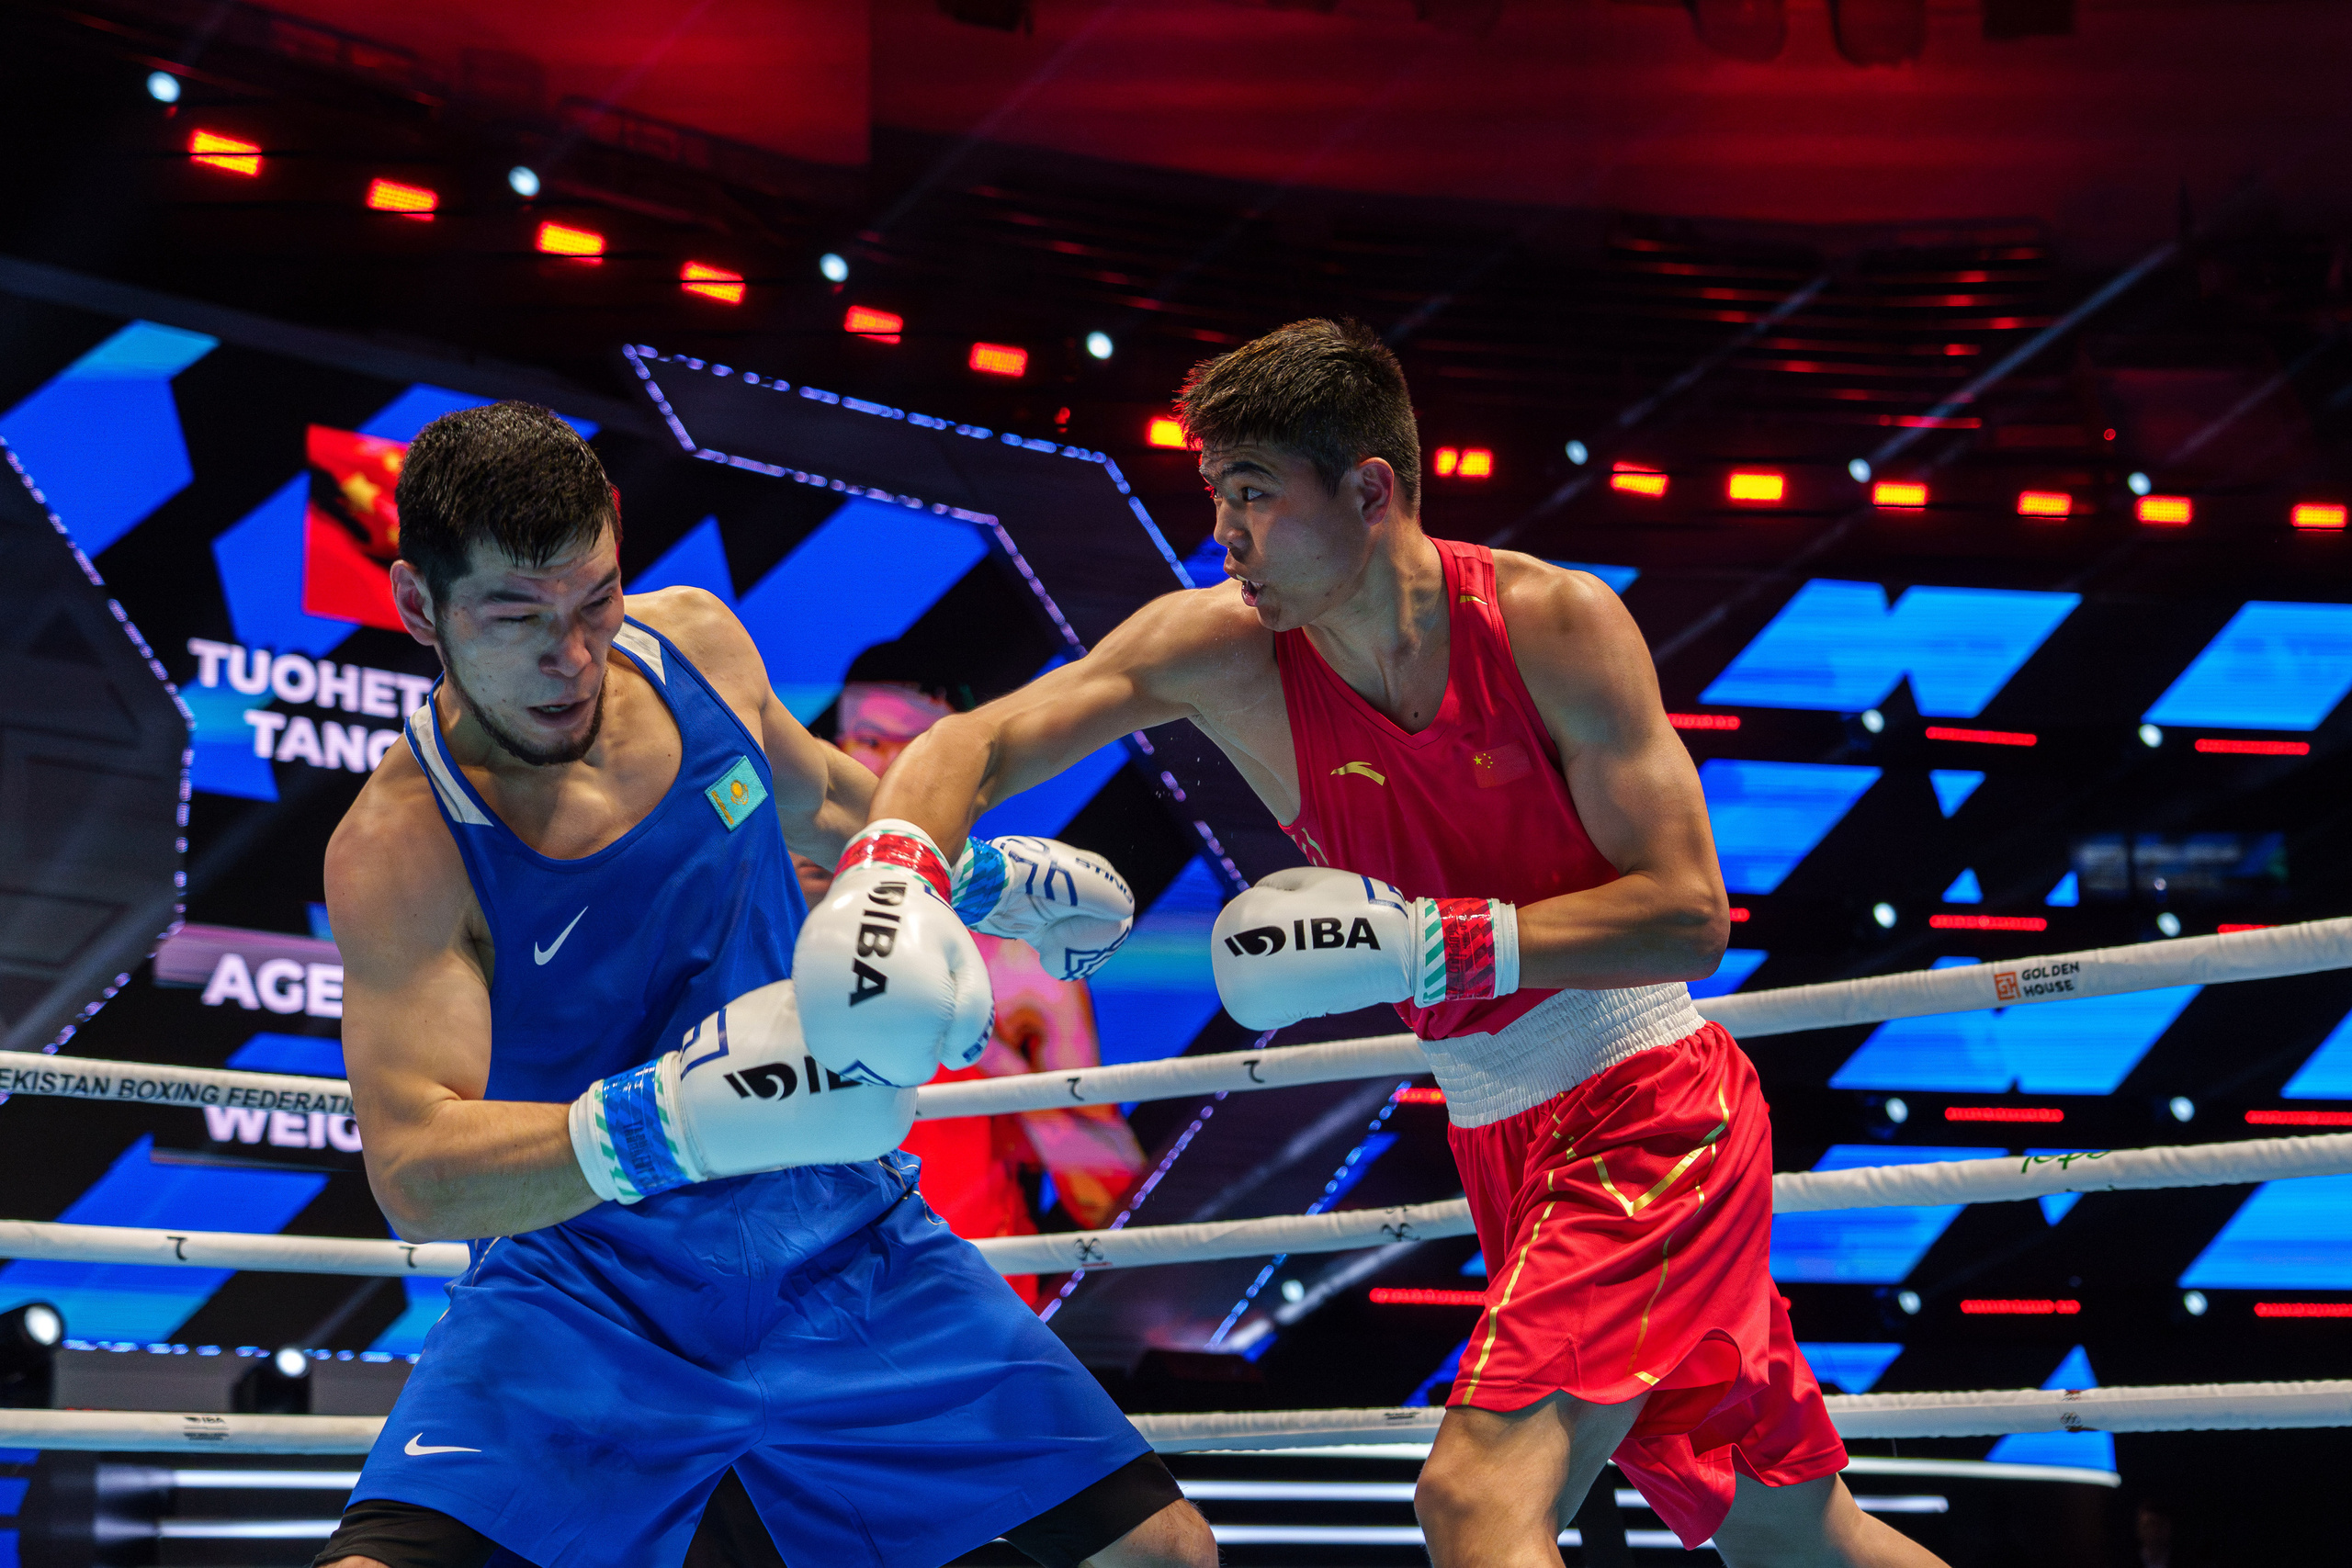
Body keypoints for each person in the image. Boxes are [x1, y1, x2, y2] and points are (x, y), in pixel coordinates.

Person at [802, 321, 1947, 1567]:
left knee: (1476, 1500)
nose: (1226, 534)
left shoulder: (1552, 624)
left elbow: (1688, 912)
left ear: (1370, 486)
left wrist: (1429, 946)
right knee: (1792, 1528)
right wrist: (902, 870)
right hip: (1498, 1125)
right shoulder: (1223, 647)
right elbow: (979, 744)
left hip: (1648, 1112)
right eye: (1216, 497)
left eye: (1253, 494)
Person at [313, 402, 1214, 1568]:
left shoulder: (692, 645)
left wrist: (976, 875)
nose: (570, 655)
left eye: (594, 600)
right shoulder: (404, 844)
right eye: (515, 617)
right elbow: (419, 1172)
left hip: (849, 1247)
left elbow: (824, 800)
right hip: (582, 1297)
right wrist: (661, 1126)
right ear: (416, 607)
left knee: (1164, 1557)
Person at [801, 676, 1147, 1306]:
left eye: (913, 751)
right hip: (796, 1317)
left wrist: (990, 1054)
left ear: (964, 785)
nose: (882, 770)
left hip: (972, 1307)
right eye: (867, 740)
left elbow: (1107, 1194)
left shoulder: (1015, 965)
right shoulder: (748, 913)